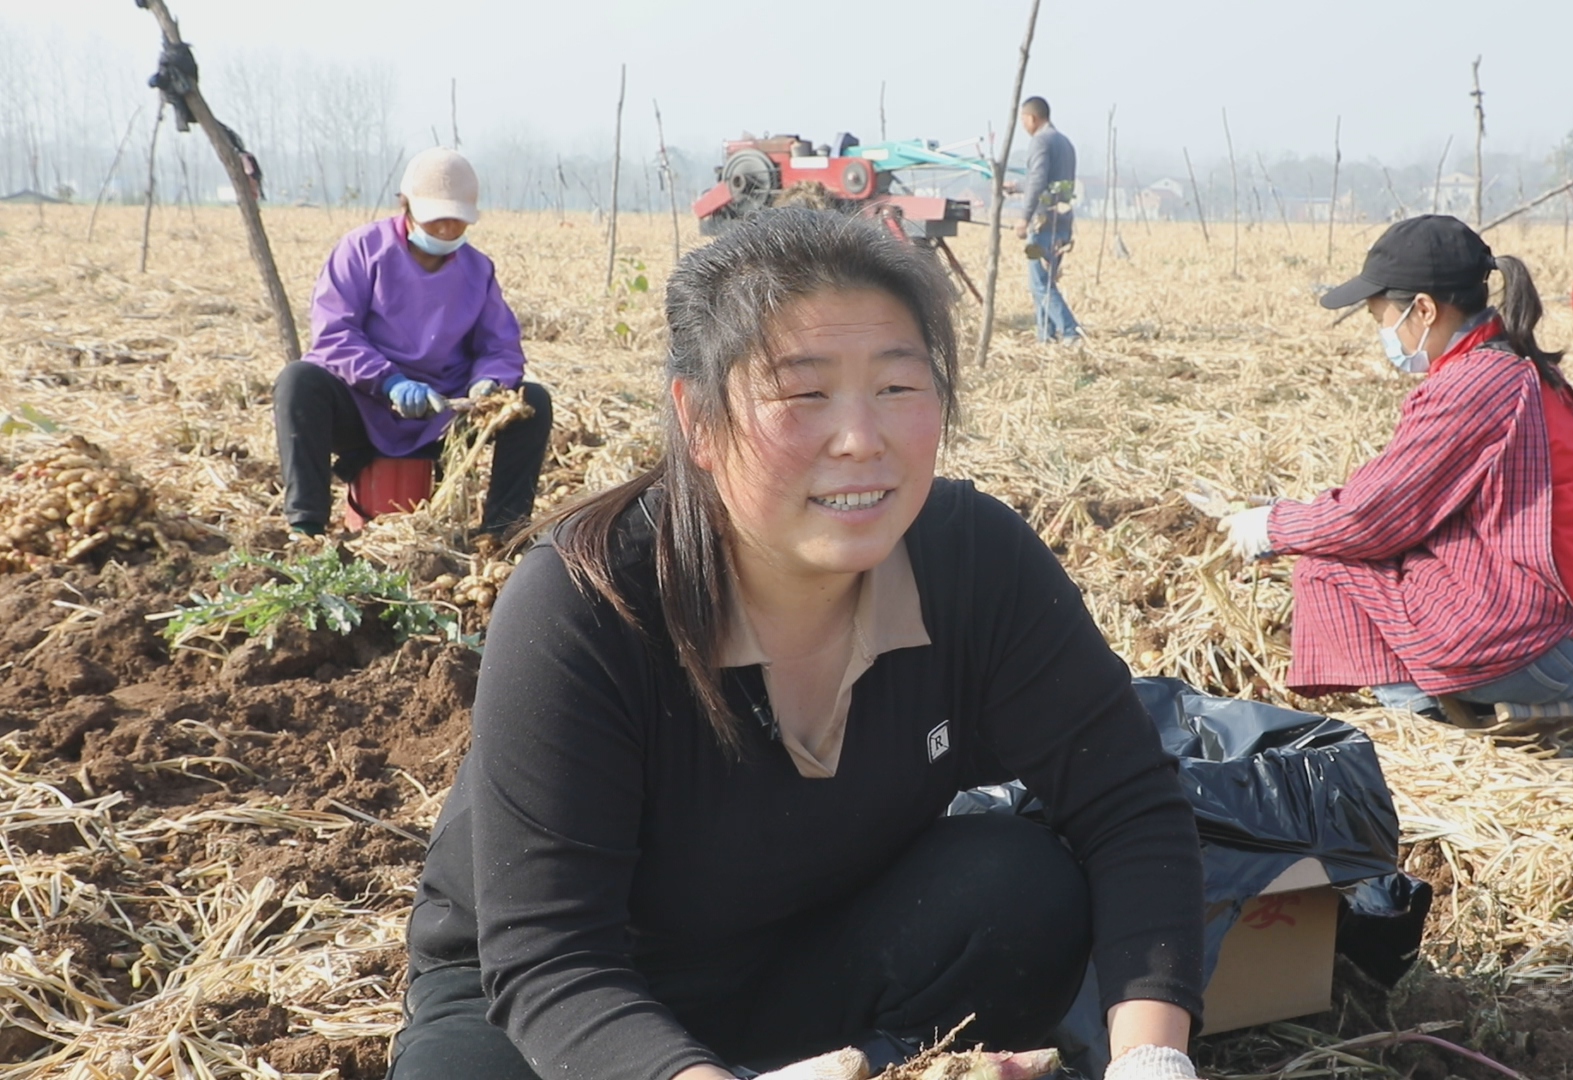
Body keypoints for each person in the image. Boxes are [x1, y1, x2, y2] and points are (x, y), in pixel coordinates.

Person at [388, 208, 1206, 1080]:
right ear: (698, 420)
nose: (862, 439)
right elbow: (550, 959)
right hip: (571, 1006)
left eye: (898, 387)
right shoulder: (586, 605)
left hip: (801, 954)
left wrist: (1153, 1060)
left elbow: (1129, 804)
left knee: (1020, 891)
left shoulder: (975, 560)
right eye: (804, 393)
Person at [1222, 215, 1573, 723]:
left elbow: (1369, 520)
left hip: (1543, 652)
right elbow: (1397, 496)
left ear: (1422, 309)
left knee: (1323, 570)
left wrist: (1273, 527)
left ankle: (1425, 718)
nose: (1383, 334)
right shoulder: (1519, 365)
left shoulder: (1472, 385)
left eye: (1381, 317)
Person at [272, 146, 552, 538]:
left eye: (457, 221)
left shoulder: (477, 270)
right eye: (437, 219)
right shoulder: (362, 249)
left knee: (532, 402)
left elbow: (499, 346)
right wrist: (389, 382)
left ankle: (502, 531)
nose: (446, 230)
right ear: (406, 205)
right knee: (298, 381)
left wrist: (489, 383)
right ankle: (306, 527)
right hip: (367, 405)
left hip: (445, 411)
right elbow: (334, 333)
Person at [1013, 96, 1081, 342]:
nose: (1022, 124)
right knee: (1044, 282)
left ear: (1032, 118)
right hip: (1062, 222)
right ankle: (1045, 336)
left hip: (1042, 223)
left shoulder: (1040, 141)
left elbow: (1038, 180)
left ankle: (1071, 331)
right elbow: (1046, 182)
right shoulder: (1064, 142)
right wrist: (1017, 186)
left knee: (1040, 284)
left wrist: (1024, 218)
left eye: (1023, 119)